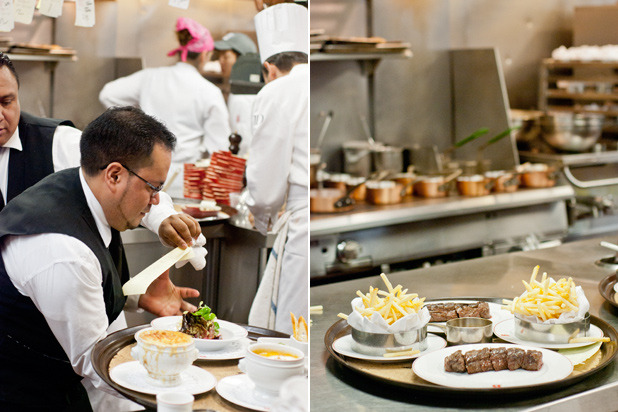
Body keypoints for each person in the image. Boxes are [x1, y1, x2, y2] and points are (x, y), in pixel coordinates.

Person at [0, 106, 204, 411]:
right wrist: (191, 386)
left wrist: (133, 295)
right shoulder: (64, 253)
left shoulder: (83, 187)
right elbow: (97, 365)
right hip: (25, 394)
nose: (157, 201)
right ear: (115, 175)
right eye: (154, 188)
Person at [99, 17, 231, 199]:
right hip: (185, 182)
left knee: (144, 220)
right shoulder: (209, 91)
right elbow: (220, 150)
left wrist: (136, 121)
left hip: (144, 176)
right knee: (177, 226)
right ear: (204, 55)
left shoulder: (151, 77)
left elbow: (108, 94)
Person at [246, 3, 309, 334]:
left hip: (302, 225)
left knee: (292, 336)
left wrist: (261, 217)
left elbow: (266, 182)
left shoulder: (276, 92)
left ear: (269, 67)